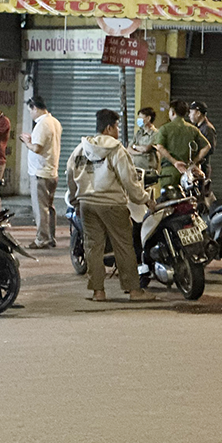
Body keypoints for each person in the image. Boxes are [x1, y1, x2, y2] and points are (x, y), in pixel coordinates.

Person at [66, 108, 156, 302]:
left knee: (93, 247)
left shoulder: (81, 148)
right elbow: (129, 180)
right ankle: (134, 290)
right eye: (116, 126)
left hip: (87, 204)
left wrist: (75, 201)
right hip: (112, 204)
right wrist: (145, 199)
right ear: (108, 127)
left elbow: (70, 176)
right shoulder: (116, 149)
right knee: (124, 245)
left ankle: (98, 292)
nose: (117, 130)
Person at [19, 96, 62, 249]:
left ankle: (42, 239)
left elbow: (37, 148)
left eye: (30, 110)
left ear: (35, 108)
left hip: (40, 172)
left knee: (41, 208)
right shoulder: (54, 122)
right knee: (49, 207)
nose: (30, 114)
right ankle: (50, 237)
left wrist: (26, 142)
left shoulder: (43, 124)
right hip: (51, 171)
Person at [153, 100, 209, 190]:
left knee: (168, 200)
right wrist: (193, 162)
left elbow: (159, 147)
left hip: (169, 172)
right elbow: (207, 146)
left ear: (173, 112)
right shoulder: (193, 129)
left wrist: (174, 162)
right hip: (188, 173)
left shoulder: (165, 128)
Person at [189, 101, 217, 179]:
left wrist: (198, 158)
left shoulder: (207, 128)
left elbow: (210, 149)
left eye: (191, 112)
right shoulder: (198, 127)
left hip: (202, 168)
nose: (189, 115)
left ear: (198, 113)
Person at [128, 106, 160, 173]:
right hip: (135, 168)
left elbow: (146, 148)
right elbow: (128, 148)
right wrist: (138, 152)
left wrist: (135, 147)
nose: (138, 120)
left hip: (148, 169)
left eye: (140, 117)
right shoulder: (139, 133)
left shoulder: (155, 133)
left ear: (148, 118)